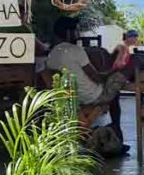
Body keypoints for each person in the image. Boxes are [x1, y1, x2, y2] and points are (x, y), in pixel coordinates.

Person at [46, 16, 128, 149]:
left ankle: (113, 131)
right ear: (68, 32)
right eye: (76, 30)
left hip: (71, 98)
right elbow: (95, 77)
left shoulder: (52, 53)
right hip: (92, 96)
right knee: (117, 84)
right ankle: (117, 129)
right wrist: (110, 74)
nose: (78, 34)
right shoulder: (76, 50)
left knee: (112, 87)